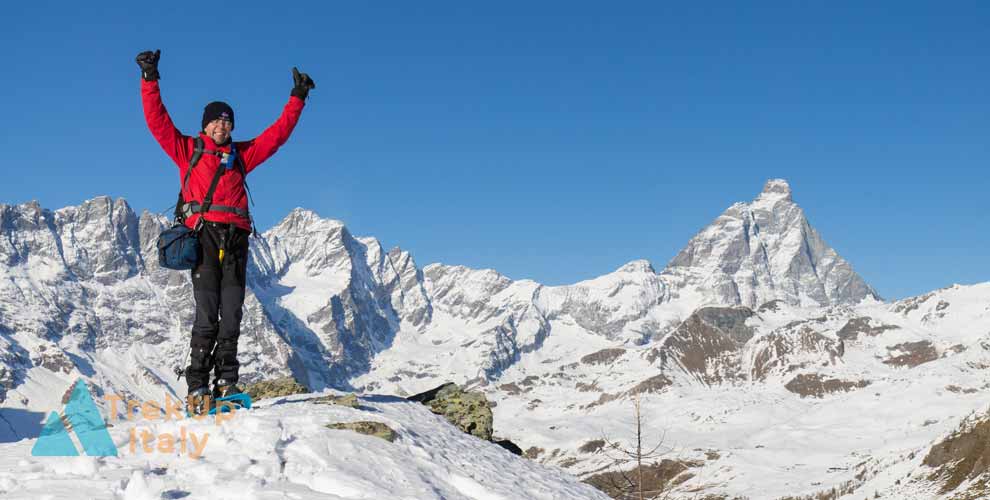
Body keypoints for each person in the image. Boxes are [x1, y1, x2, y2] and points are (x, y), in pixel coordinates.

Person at [136, 49, 315, 414]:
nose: (222, 126)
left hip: (235, 240)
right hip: (203, 237)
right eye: (216, 121)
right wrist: (150, 79)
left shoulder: (242, 155)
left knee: (232, 313)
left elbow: (277, 135)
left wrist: (297, 98)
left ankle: (227, 383)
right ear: (205, 126)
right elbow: (158, 122)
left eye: (227, 121)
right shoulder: (187, 149)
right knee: (207, 314)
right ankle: (198, 386)